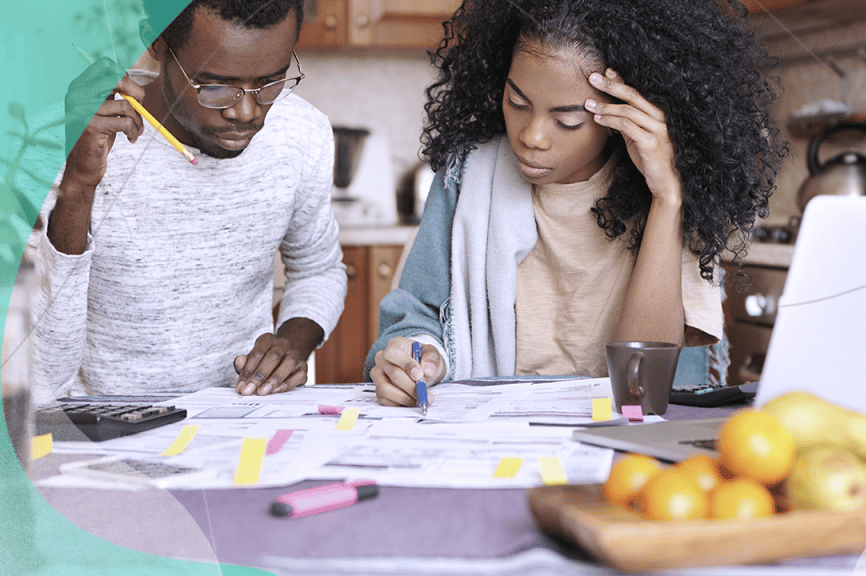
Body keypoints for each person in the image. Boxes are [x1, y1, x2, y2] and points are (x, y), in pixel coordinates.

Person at [366, 0, 784, 407]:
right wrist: (421, 355)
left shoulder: (672, 192)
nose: (532, 136)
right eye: (516, 102)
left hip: (624, 434)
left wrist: (668, 198)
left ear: (621, 113)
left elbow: (642, 385)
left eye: (567, 120)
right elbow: (419, 313)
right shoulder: (467, 177)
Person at [30, 0, 347, 400]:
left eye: (270, 82)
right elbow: (39, 377)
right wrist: (78, 183)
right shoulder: (62, 141)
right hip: (100, 428)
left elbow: (319, 270)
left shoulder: (301, 132)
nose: (247, 113)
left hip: (239, 418)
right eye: (215, 86)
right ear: (156, 42)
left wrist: (291, 344)